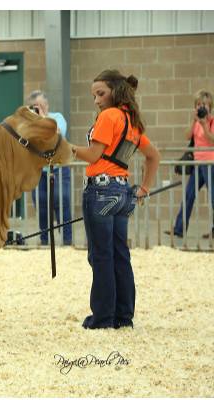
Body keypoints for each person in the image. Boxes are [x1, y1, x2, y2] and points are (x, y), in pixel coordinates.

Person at [70, 70, 160, 330]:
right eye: (94, 96)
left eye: (101, 94)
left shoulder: (109, 116)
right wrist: (144, 188)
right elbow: (153, 156)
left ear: (115, 91)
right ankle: (123, 316)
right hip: (122, 193)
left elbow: (93, 155)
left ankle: (102, 319)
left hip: (100, 191)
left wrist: (66, 148)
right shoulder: (133, 122)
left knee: (101, 255)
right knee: (120, 254)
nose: (97, 100)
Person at [165, 90, 214, 239]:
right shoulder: (196, 122)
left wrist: (205, 125)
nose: (201, 107)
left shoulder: (211, 121)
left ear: (210, 106)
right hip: (197, 164)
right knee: (188, 195)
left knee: (213, 198)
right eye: (198, 104)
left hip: (211, 164)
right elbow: (187, 136)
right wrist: (194, 121)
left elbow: (211, 140)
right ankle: (179, 229)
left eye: (204, 104)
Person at [27, 90, 72, 245]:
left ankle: (67, 241)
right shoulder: (30, 125)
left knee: (62, 201)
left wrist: (43, 118)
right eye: (33, 107)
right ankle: (45, 241)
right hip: (39, 170)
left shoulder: (57, 117)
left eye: (39, 105)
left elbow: (58, 133)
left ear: (46, 105)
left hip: (59, 168)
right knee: (41, 204)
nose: (37, 109)